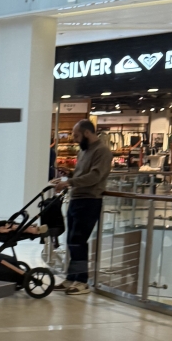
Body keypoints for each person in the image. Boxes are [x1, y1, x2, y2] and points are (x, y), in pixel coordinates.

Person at [51, 119, 113, 295]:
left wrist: (69, 182)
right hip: (76, 199)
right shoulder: (83, 151)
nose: (75, 139)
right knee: (72, 240)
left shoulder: (102, 151)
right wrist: (68, 175)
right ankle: (72, 277)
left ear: (87, 133)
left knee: (78, 240)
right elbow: (82, 174)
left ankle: (82, 281)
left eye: (77, 136)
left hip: (89, 201)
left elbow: (95, 176)